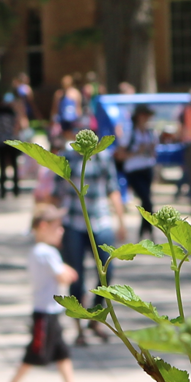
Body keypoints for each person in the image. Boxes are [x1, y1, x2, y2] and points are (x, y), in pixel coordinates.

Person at [1, 209, 87, 382]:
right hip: (45, 312)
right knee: (35, 352)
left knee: (62, 352)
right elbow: (63, 276)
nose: (61, 232)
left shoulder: (38, 251)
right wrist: (69, 271)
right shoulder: (47, 252)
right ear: (43, 227)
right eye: (57, 228)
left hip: (50, 311)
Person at [56, 142, 127, 345]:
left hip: (101, 220)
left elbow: (113, 188)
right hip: (73, 222)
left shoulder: (104, 157)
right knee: (75, 275)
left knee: (107, 271)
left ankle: (96, 316)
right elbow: (55, 192)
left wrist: (121, 221)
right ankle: (79, 326)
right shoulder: (67, 157)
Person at [117, 106, 161, 240]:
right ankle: (148, 232)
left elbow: (153, 153)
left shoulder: (150, 133)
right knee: (147, 201)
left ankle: (144, 234)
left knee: (146, 201)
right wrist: (137, 152)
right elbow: (120, 154)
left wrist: (150, 150)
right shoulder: (130, 133)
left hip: (147, 169)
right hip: (133, 170)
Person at [0, 92, 25, 198]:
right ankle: (16, 189)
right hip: (11, 141)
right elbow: (16, 125)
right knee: (14, 165)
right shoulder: (10, 112)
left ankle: (2, 191)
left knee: (2, 167)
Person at [56, 75, 85, 141]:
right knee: (64, 135)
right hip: (63, 118)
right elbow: (56, 107)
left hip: (73, 118)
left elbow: (78, 107)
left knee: (74, 134)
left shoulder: (75, 93)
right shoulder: (59, 93)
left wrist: (79, 118)